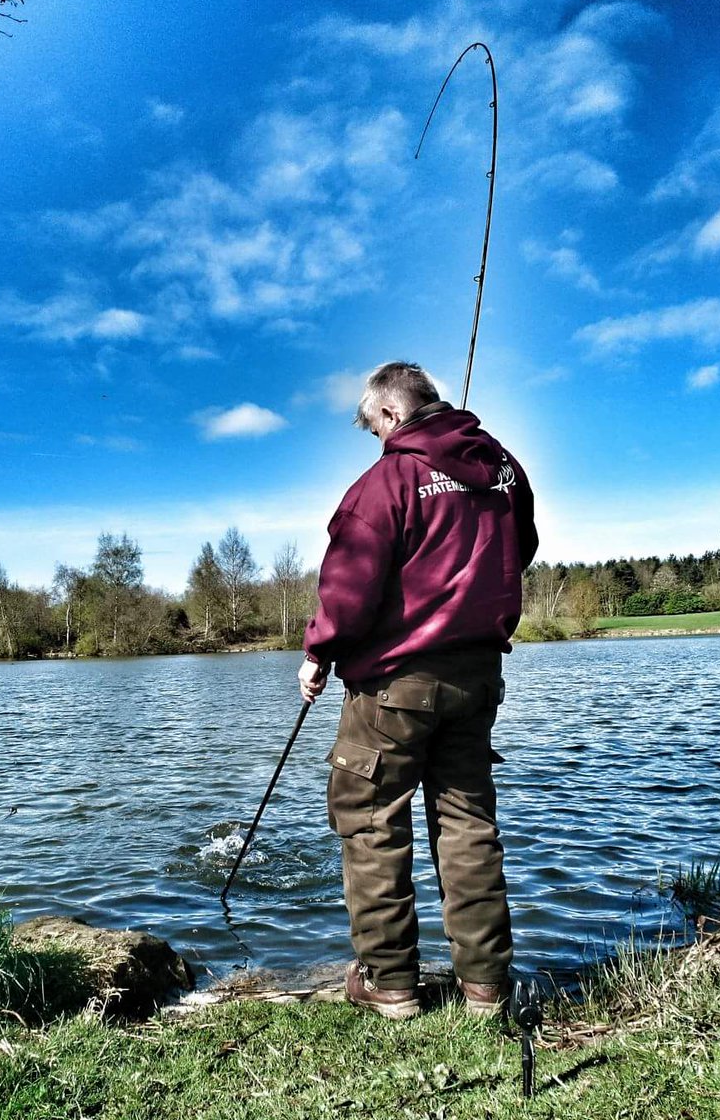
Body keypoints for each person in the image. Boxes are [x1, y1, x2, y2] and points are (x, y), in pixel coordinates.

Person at [298, 362, 538, 1020]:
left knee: (371, 819)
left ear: (392, 413)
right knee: (467, 822)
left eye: (374, 427)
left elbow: (348, 588)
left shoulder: (386, 482)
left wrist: (318, 651)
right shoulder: (502, 468)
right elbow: (519, 550)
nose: (377, 439)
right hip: (476, 676)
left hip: (394, 685)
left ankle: (390, 984)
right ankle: (486, 987)